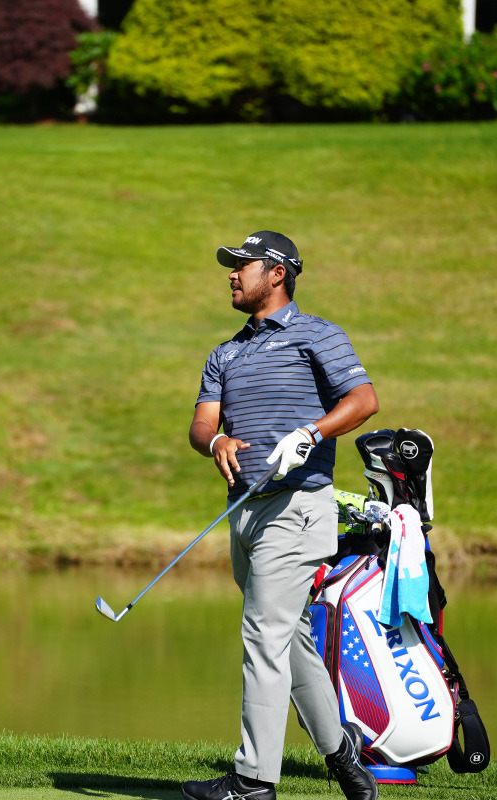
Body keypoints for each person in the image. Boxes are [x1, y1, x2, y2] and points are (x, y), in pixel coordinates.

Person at [181, 231, 381, 800]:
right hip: (245, 512)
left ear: (277, 274)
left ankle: (252, 781)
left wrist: (311, 431)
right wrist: (215, 440)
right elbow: (201, 424)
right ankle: (342, 753)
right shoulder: (226, 353)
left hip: (298, 506)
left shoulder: (318, 335)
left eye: (242, 266)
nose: (231, 274)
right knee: (288, 639)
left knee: (262, 635)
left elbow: (364, 401)